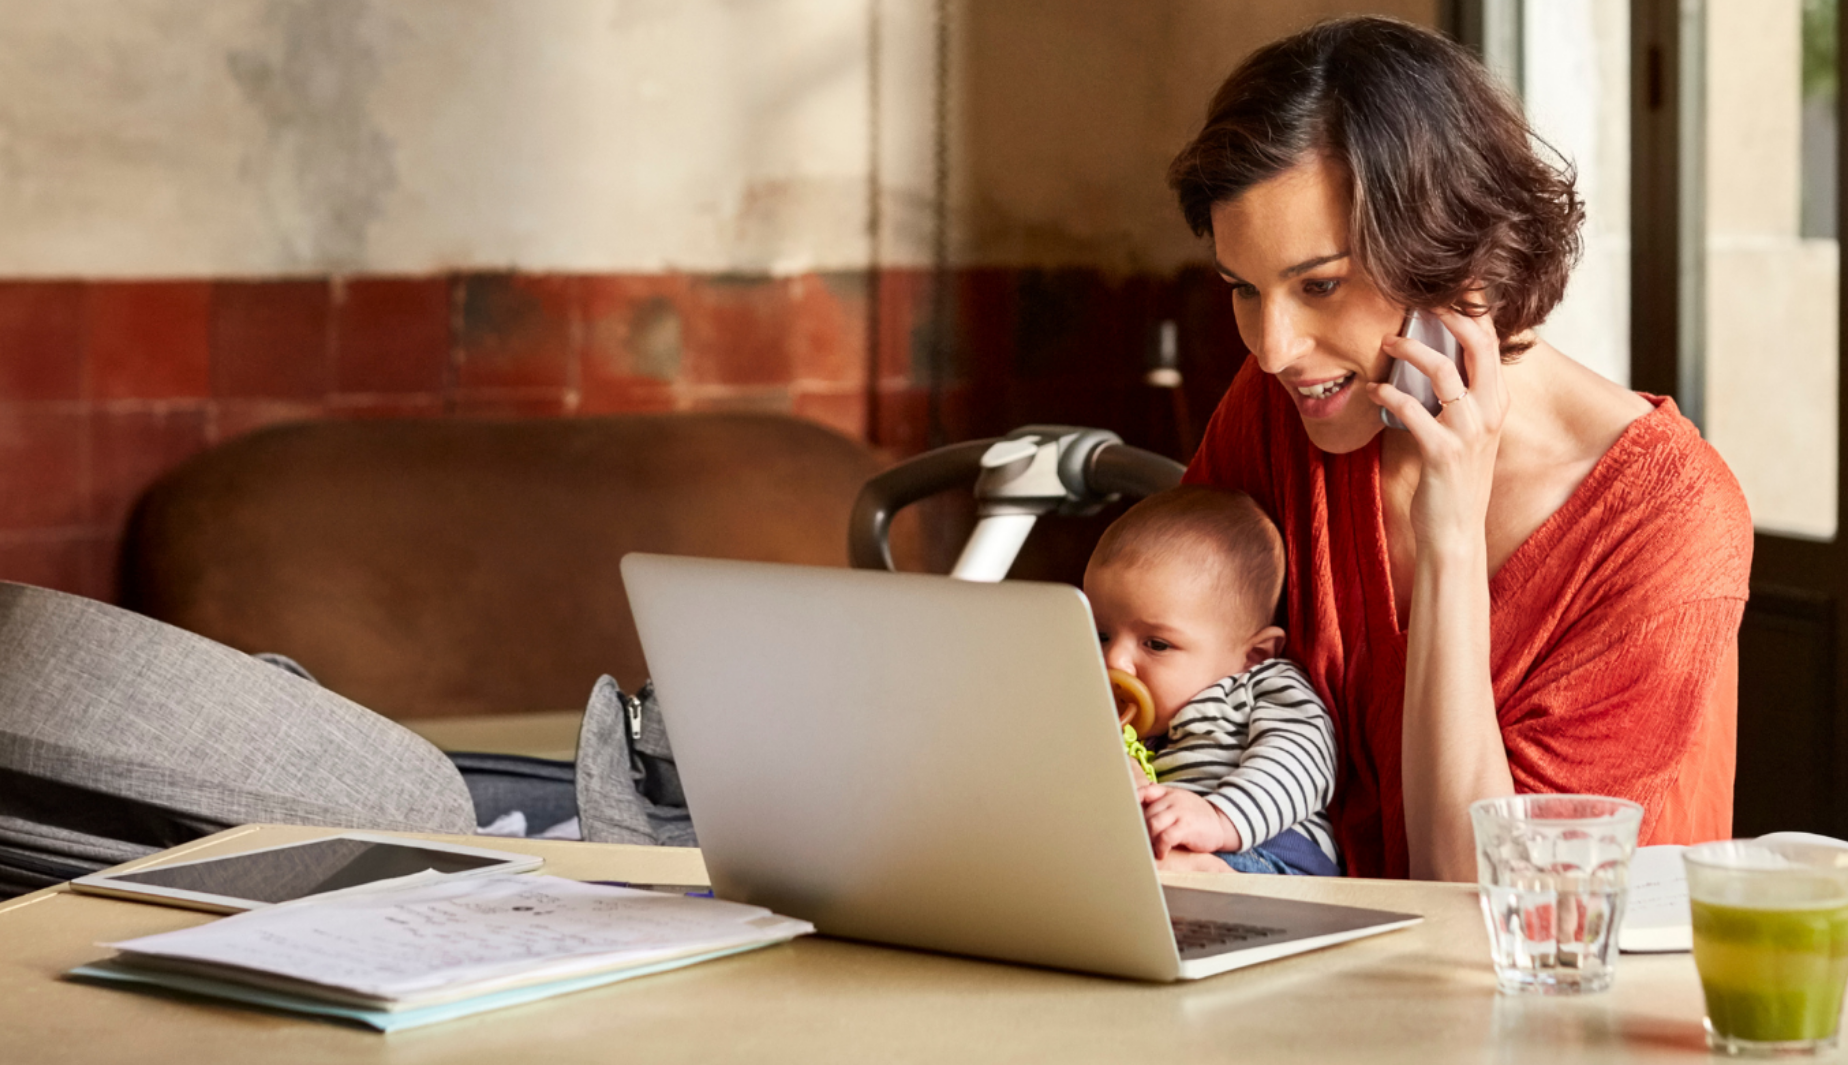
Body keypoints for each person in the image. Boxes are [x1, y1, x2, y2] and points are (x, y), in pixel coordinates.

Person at [1165, 16, 1752, 881]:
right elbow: (1169, 714)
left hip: (1558, 1005)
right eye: (1244, 290)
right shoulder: (1275, 411)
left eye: (1321, 284)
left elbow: (1482, 902)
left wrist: (1449, 538)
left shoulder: (1667, 518)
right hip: (1308, 990)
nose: (1273, 348)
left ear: (1454, 257)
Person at [1085, 486, 1340, 876]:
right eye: (1101, 634)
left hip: (1267, 856)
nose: (1114, 661)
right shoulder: (1103, 715)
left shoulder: (1259, 686)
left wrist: (1219, 818)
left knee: (1153, 872)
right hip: (1156, 855)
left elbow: (1302, 759)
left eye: (1156, 644)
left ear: (1252, 655)